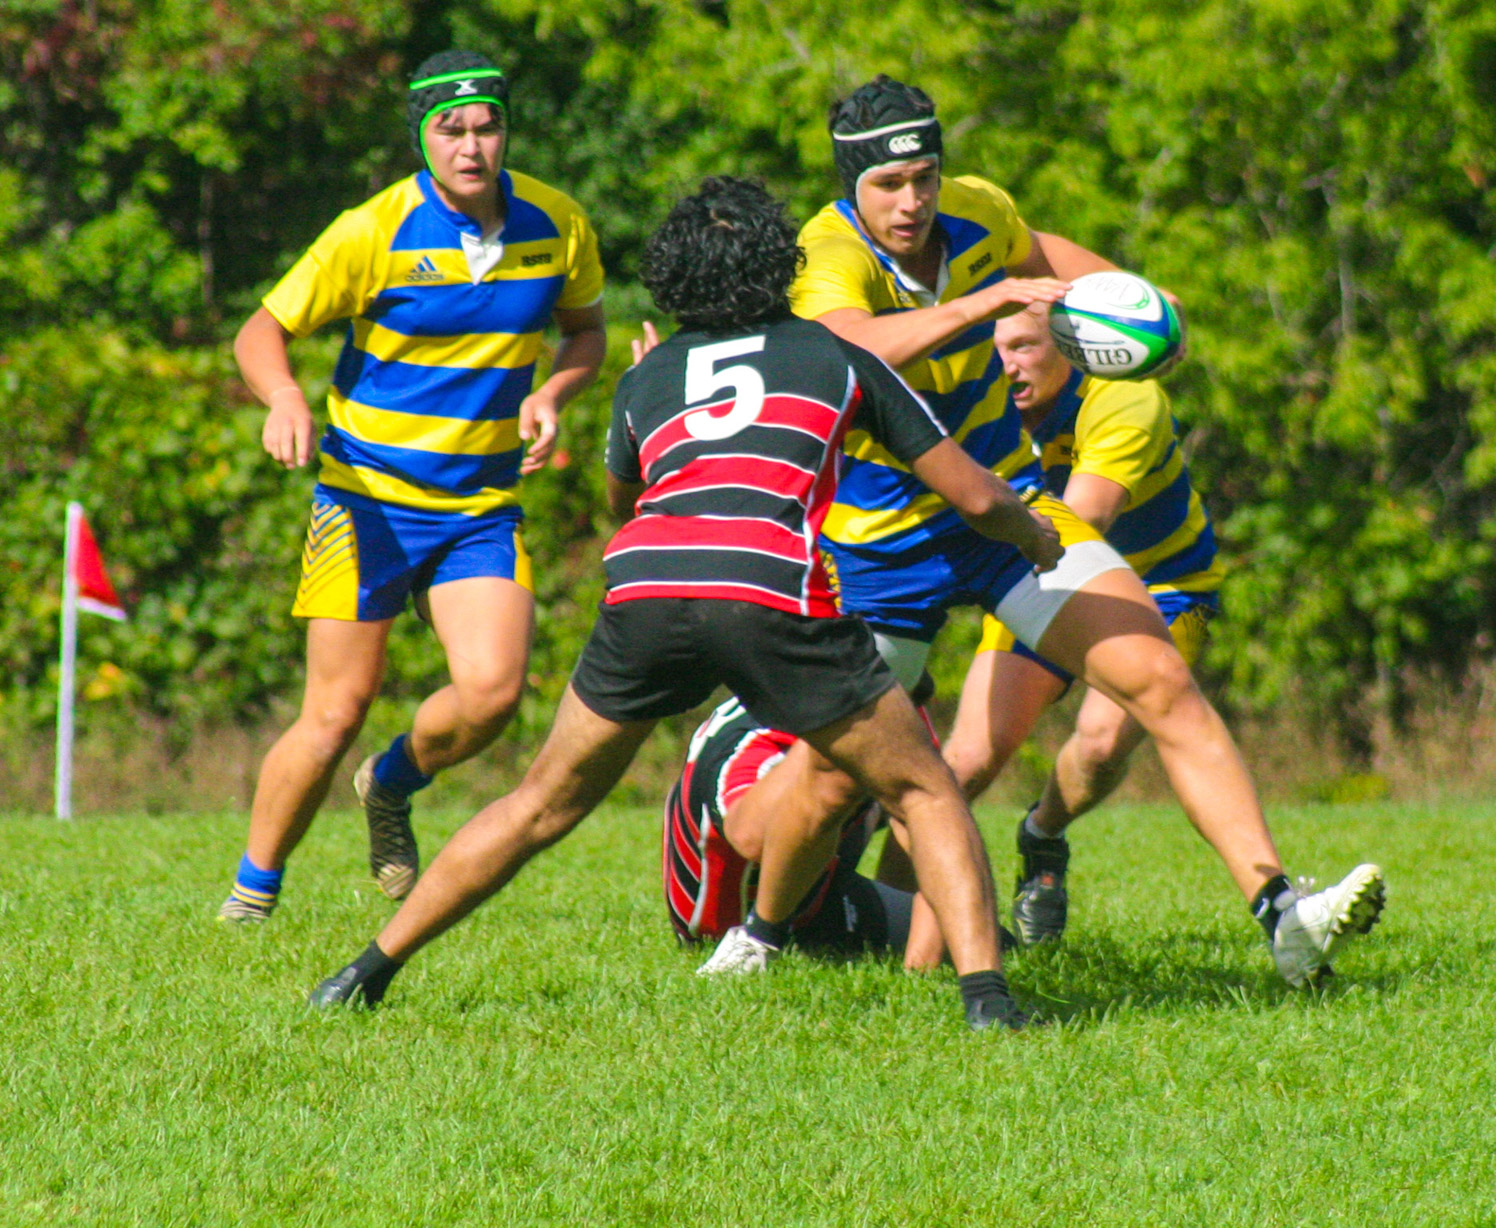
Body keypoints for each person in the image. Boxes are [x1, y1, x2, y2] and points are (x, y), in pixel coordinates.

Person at [308, 176, 1059, 1031]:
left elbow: (624, 509)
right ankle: (990, 1003)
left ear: (672, 277)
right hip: (770, 587)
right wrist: (1033, 537)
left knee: (539, 803)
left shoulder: (650, 377)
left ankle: (365, 971)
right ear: (782, 261)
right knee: (926, 791)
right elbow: (971, 496)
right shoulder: (836, 355)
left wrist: (651, 405)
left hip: (647, 591)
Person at [724, 75, 1383, 988]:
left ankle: (1281, 912)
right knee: (837, 779)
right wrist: (973, 308)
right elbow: (849, 348)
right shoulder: (825, 252)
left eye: (924, 175)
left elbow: (1048, 258)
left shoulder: (979, 211)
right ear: (852, 188)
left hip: (1007, 515)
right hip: (877, 546)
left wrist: (1142, 304)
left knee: (1159, 679)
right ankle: (759, 934)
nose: (913, 200)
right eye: (888, 185)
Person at [217, 51, 606, 922]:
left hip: (477, 511)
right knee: (333, 713)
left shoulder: (557, 222)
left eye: (487, 126)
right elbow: (260, 332)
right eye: (450, 129)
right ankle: (251, 895)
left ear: (507, 129)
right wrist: (283, 397)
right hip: (364, 502)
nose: (471, 146)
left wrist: (552, 391)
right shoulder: (373, 229)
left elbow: (586, 334)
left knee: (493, 694)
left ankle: (388, 786)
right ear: (422, 136)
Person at [939, 304, 1224, 948]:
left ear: (1069, 347)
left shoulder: (1124, 397)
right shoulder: (979, 416)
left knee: (1098, 745)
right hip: (1040, 579)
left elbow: (1080, 522)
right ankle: (895, 920)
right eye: (993, 351)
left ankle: (1042, 836)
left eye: (1023, 346)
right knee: (967, 760)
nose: (1005, 365)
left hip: (1163, 586)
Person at [665, 692, 922, 959]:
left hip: (820, 886)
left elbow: (916, 809)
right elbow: (750, 837)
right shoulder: (762, 735)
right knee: (957, 925)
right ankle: (763, 937)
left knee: (951, 916)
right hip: (734, 924)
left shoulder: (889, 704)